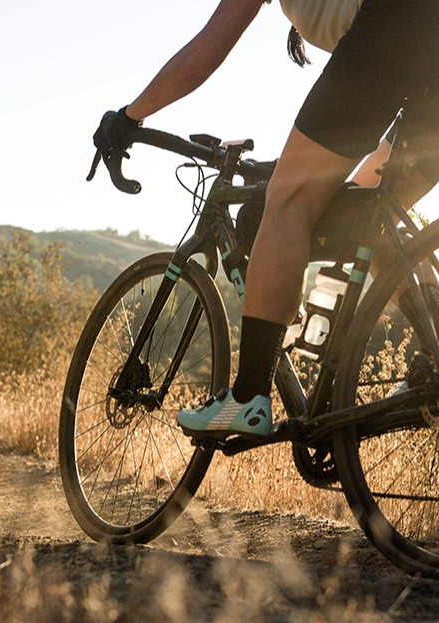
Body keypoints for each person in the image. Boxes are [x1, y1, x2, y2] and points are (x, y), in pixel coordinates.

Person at [93, 0, 439, 438]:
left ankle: (247, 398)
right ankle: (435, 354)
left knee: (288, 200)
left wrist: (129, 117)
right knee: (369, 211)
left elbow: (205, 51)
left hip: (399, 23)